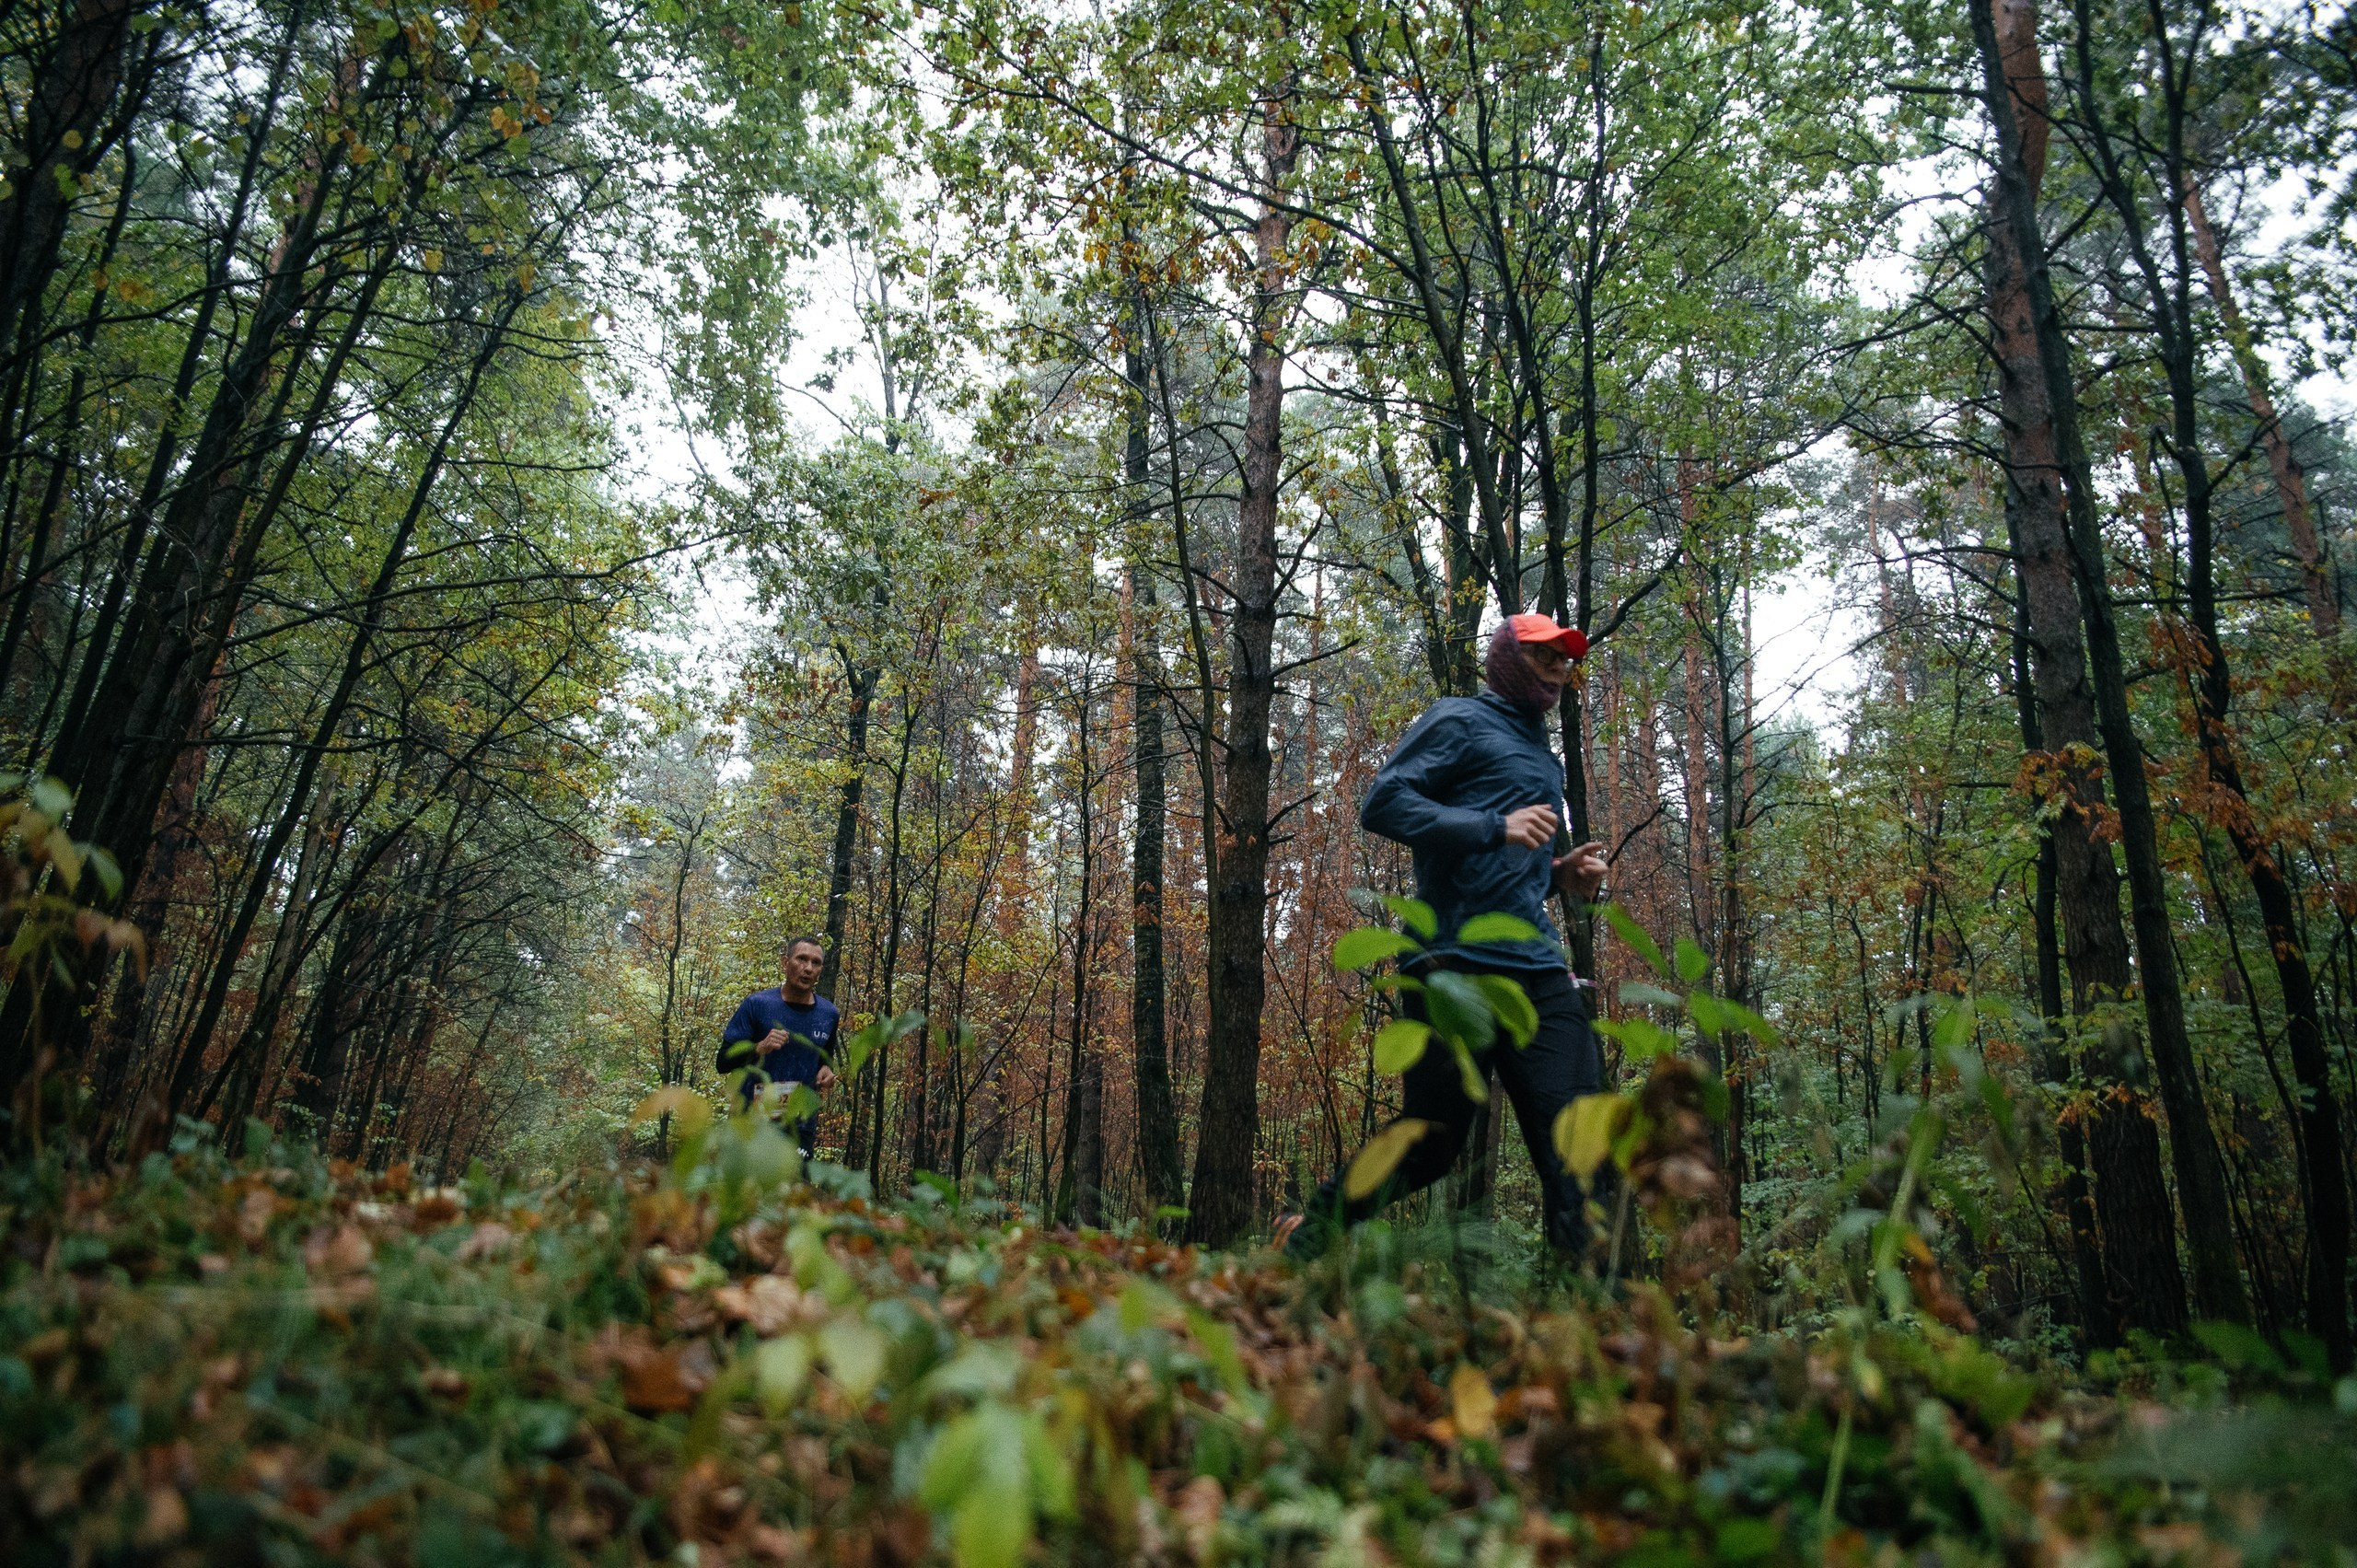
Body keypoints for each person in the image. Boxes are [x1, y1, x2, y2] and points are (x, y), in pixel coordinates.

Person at [1285, 612, 1611, 1261]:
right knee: (1434, 1143)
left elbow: (1502, 875)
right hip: (1452, 965)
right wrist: (1496, 825)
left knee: (1582, 1145)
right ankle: (1309, 1234)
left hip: (1538, 967)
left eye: (1564, 657)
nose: (1556, 666)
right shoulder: (1458, 719)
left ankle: (1605, 1323)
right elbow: (1383, 802)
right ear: (1508, 657)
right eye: (1543, 653)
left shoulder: (1542, 755)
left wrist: (1558, 875)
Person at [717, 935, 842, 1158]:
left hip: (799, 1124)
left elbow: (824, 1059)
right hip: (751, 1121)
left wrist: (826, 1071)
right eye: (801, 959)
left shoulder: (828, 1014)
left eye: (816, 963)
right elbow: (723, 1061)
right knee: (748, 1192)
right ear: (785, 963)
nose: (808, 968)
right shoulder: (758, 1005)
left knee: (794, 1191)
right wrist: (759, 1048)